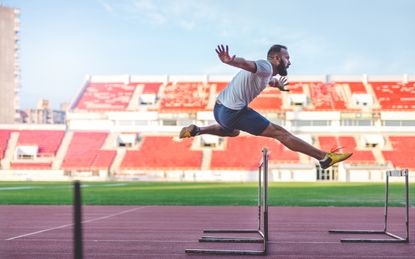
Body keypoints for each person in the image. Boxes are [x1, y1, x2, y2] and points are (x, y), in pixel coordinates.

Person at [179, 44, 352, 169]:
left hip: (220, 108)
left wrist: (278, 85)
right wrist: (230, 61)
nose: (290, 62)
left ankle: (197, 130)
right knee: (280, 133)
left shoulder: (267, 73)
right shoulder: (265, 65)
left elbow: (269, 80)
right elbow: (247, 64)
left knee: (232, 131)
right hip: (233, 111)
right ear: (277, 58)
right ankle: (324, 158)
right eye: (287, 58)